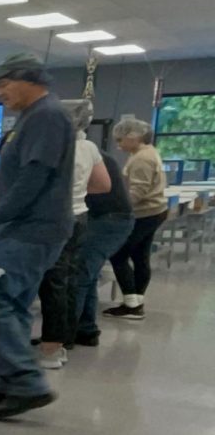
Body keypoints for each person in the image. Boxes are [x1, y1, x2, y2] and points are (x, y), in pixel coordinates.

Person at [0, 53, 74, 420]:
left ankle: (27, 383)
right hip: (27, 228)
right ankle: (9, 381)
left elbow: (33, 180)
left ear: (29, 79)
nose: (0, 91)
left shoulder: (47, 116)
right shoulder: (32, 117)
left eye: (5, 82)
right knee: (15, 305)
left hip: (29, 229)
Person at [35, 99, 110, 368]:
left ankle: (51, 348)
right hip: (79, 217)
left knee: (52, 282)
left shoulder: (55, 147)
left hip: (54, 219)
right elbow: (103, 185)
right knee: (67, 280)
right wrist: (77, 191)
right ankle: (63, 341)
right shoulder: (89, 147)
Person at [104, 118, 168, 321]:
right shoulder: (148, 152)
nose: (118, 145)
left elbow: (138, 191)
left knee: (118, 254)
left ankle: (132, 305)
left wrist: (118, 208)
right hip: (154, 211)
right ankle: (136, 301)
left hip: (144, 213)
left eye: (121, 140)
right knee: (141, 256)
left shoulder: (141, 158)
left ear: (133, 137)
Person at [72, 144, 134, 347]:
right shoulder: (96, 152)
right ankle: (86, 330)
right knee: (87, 276)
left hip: (108, 220)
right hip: (110, 218)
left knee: (80, 274)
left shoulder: (82, 153)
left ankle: (62, 337)